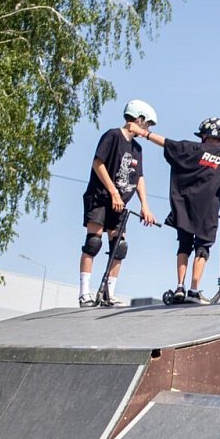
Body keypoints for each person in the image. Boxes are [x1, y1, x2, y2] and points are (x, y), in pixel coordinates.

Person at [131, 117, 220, 305]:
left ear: (205, 135)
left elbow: (166, 143)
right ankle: (194, 290)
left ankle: (180, 287)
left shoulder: (192, 149)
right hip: (207, 211)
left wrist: (145, 134)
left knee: (184, 245)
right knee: (202, 248)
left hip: (184, 206)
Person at [78, 99, 157, 307]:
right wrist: (113, 192)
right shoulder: (113, 135)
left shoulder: (137, 148)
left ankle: (108, 293)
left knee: (119, 248)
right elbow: (98, 163)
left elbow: (139, 178)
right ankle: (84, 292)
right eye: (147, 124)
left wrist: (145, 205)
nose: (147, 129)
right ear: (139, 119)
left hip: (121, 203)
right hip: (101, 198)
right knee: (93, 243)